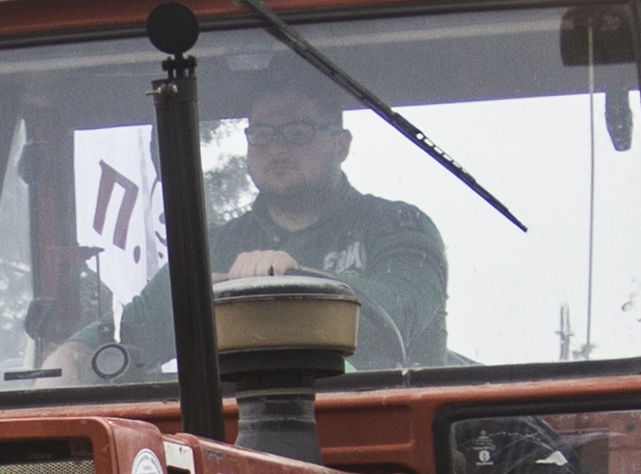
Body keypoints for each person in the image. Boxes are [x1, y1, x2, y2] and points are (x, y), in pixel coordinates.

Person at [117, 82, 450, 373]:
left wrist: (293, 280)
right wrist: (86, 353)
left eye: (298, 132)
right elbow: (127, 335)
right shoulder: (213, 247)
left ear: (341, 145)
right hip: (234, 423)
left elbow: (401, 313)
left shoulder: (398, 227)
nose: (276, 149)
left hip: (386, 421)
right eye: (262, 135)